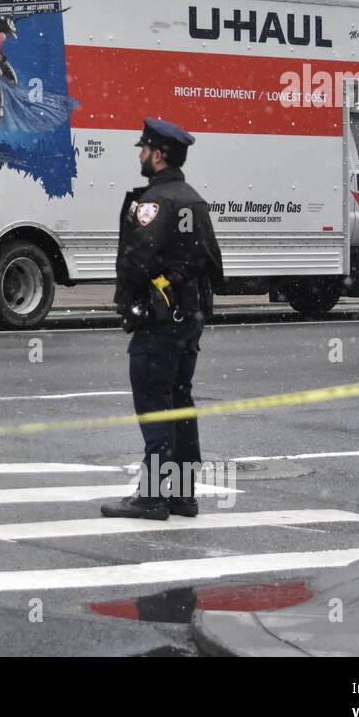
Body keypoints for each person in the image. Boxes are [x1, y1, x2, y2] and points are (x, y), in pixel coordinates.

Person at [100, 117, 223, 521]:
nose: (139, 154)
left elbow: (136, 260)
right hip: (189, 319)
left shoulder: (155, 202)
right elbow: (211, 262)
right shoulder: (194, 199)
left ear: (158, 154)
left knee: (155, 403)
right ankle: (183, 494)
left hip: (161, 321)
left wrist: (134, 301)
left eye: (143, 148)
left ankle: (152, 496)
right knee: (179, 403)